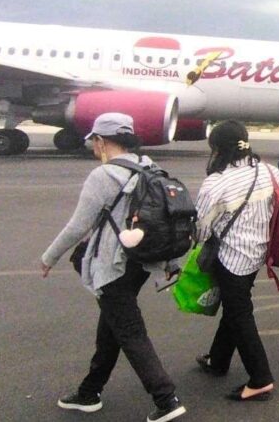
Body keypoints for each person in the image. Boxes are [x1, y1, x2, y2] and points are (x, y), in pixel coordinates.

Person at [40, 113, 186, 422]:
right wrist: (170, 262)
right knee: (112, 326)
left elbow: (79, 226)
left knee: (129, 331)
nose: (93, 147)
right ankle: (89, 391)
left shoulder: (104, 175)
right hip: (140, 263)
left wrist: (49, 257)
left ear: (102, 141)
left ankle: (166, 399)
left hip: (112, 264)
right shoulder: (150, 168)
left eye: (94, 141)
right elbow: (166, 219)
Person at [194, 120, 279, 402]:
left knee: (239, 313)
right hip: (259, 252)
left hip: (231, 258)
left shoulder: (216, 183)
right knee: (235, 307)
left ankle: (260, 378)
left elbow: (201, 229)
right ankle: (218, 360)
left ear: (217, 148)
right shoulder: (269, 171)